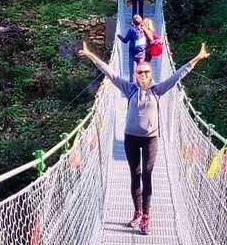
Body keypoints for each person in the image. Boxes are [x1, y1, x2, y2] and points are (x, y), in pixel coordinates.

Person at [79, 40, 210, 233]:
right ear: (135, 74)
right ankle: (137, 212)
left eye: (146, 72)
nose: (143, 75)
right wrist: (91, 55)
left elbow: (178, 75)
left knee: (147, 175)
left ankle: (146, 216)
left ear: (151, 73)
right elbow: (110, 73)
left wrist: (197, 58)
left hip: (150, 139)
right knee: (135, 175)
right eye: (140, 72)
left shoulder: (158, 90)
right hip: (131, 138)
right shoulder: (129, 89)